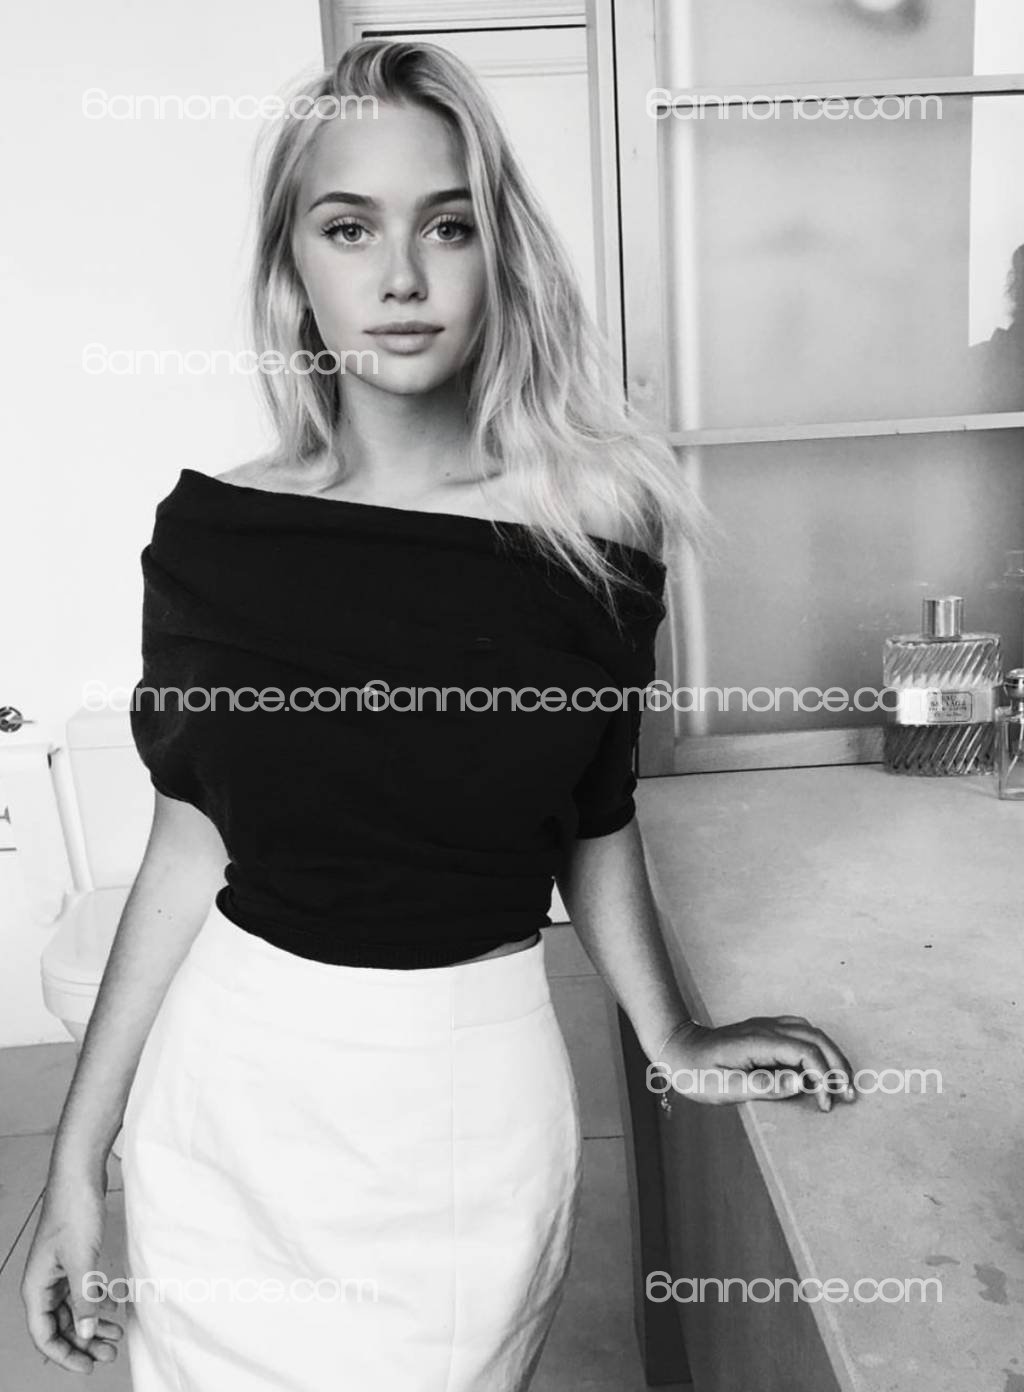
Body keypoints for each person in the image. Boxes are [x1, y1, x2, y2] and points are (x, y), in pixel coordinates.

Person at [20, 38, 856, 1391]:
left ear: (498, 254)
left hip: (464, 1115)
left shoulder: (594, 533)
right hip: (228, 1100)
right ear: (294, 267)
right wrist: (77, 1161)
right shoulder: (215, 537)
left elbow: (594, 813)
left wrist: (671, 1036)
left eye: (448, 226)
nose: (402, 277)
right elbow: (188, 843)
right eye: (349, 228)